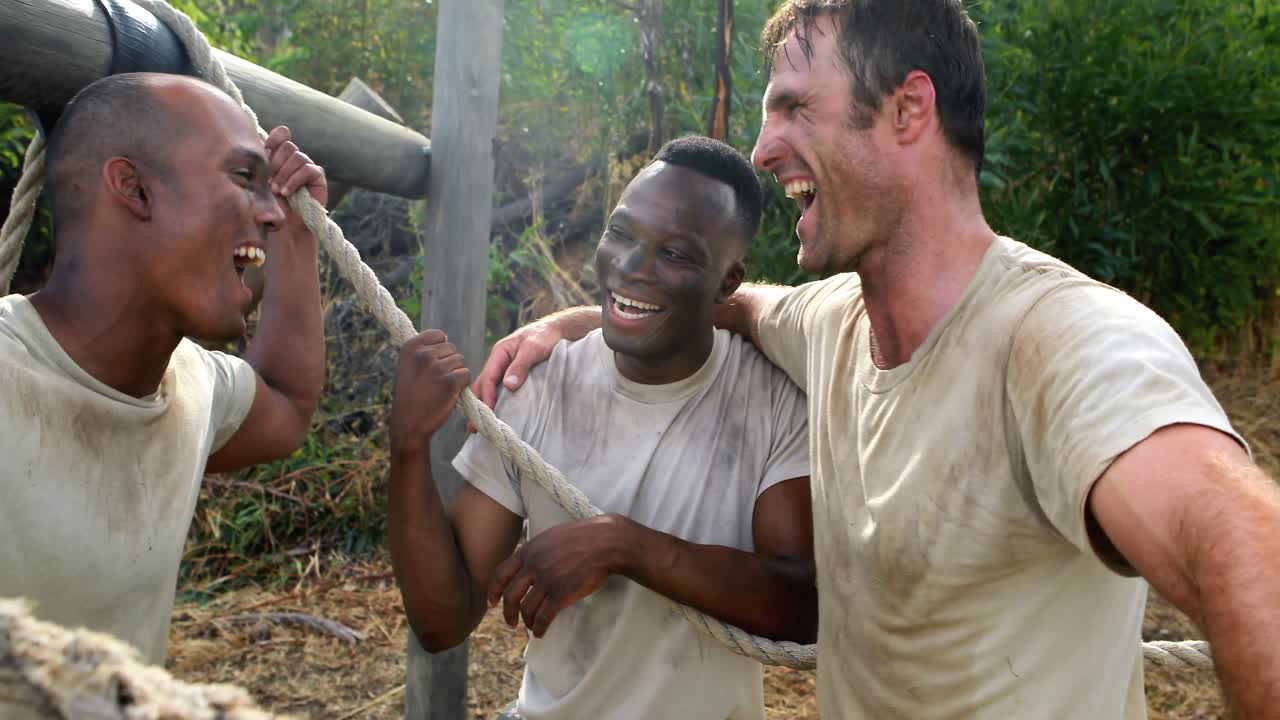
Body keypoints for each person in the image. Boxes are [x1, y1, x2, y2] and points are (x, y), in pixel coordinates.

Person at [472, 2, 1280, 718]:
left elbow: (1233, 545)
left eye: (793, 107)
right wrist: (574, 321)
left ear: (908, 108)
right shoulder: (831, 323)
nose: (759, 150)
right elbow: (734, 304)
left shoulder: (1061, 338)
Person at [388, 136, 815, 720]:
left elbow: (801, 604)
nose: (632, 267)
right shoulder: (536, 385)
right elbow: (442, 621)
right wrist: (408, 448)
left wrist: (624, 546)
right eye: (621, 234)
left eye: (675, 254)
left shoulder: (772, 397)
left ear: (727, 283)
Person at [0, 72, 326, 666]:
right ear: (134, 189)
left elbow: (287, 403)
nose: (273, 215)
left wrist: (300, 242)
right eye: (244, 177)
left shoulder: (194, 383)